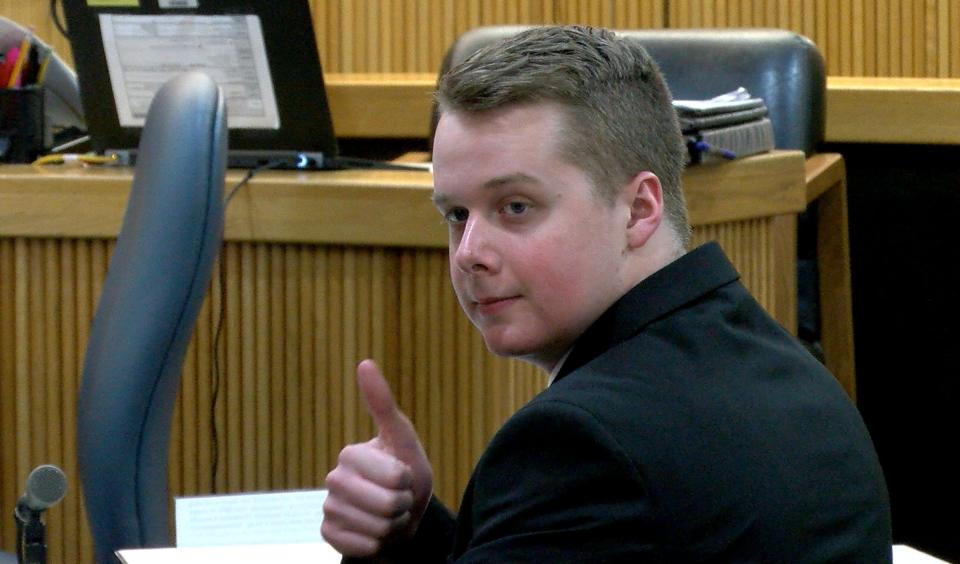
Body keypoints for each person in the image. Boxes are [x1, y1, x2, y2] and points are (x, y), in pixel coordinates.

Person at [321, 25, 892, 562]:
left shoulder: (578, 444)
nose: (469, 251)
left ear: (639, 210)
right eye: (455, 213)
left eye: (515, 207)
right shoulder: (789, 372)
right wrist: (414, 534)